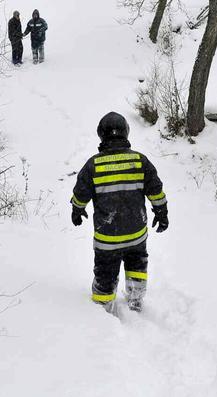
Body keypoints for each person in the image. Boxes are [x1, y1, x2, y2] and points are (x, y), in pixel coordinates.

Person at [70, 112, 169, 313]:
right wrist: (161, 212)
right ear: (126, 132)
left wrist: (77, 209)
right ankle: (136, 299)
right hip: (136, 234)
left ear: (101, 134)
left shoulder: (93, 165)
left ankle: (102, 308)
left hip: (107, 237)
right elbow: (155, 190)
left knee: (105, 273)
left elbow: (81, 192)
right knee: (137, 266)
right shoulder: (140, 161)